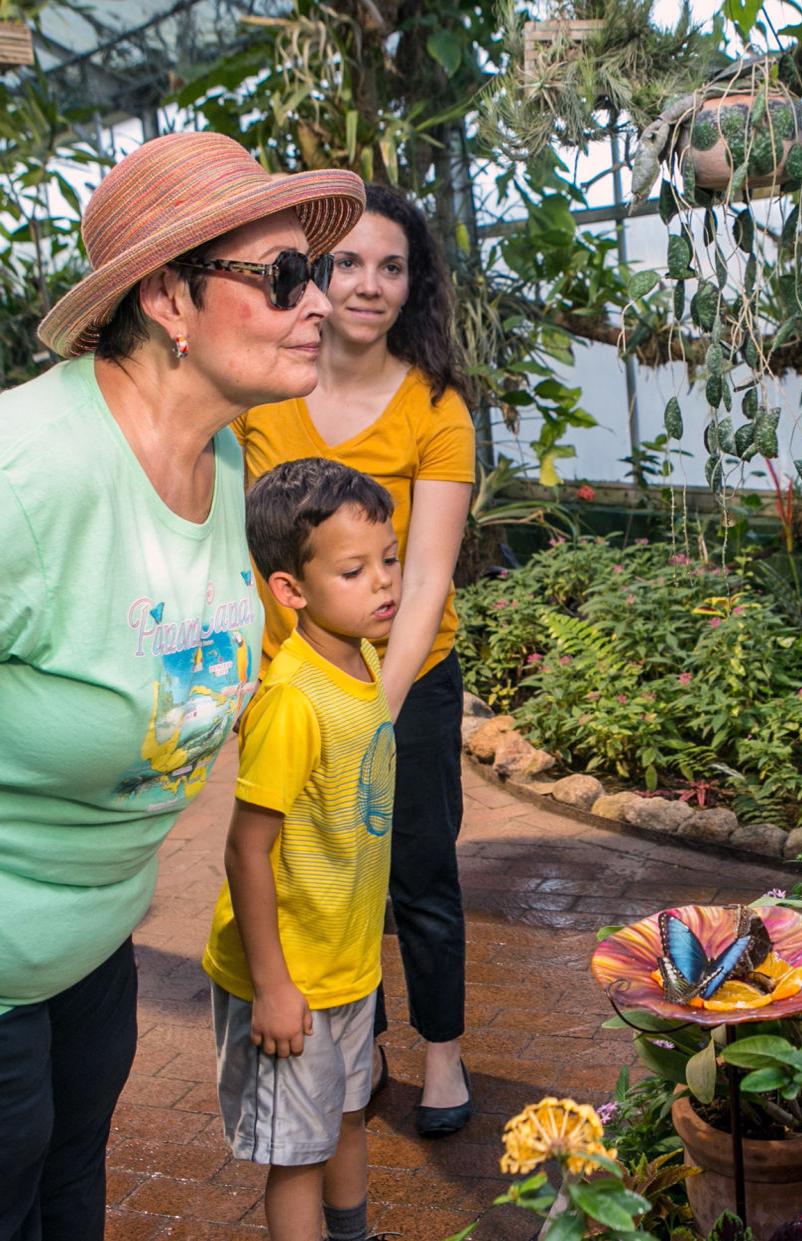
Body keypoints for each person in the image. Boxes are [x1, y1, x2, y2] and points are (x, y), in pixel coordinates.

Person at [0, 131, 362, 1239]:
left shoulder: (225, 459)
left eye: (319, 271)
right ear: (168, 299)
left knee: (70, 1187)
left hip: (91, 948)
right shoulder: (29, 475)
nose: (321, 300)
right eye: (285, 275)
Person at [237, 183, 476, 1136]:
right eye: (347, 263)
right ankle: (358, 1039)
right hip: (292, 687)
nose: (368, 284)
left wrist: (376, 704)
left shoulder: (435, 407)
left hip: (405, 682)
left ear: (413, 286)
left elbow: (427, 577)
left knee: (418, 870)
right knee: (321, 876)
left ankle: (443, 1052)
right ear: (314, 274)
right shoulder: (263, 393)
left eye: (392, 267)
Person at [202, 457, 401, 1241]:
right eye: (354, 570)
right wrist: (274, 986)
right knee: (297, 1154)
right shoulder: (292, 701)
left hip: (344, 964)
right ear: (290, 590)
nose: (382, 581)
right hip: (289, 977)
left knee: (347, 1117)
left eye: (389, 558)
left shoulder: (362, 655)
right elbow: (245, 851)